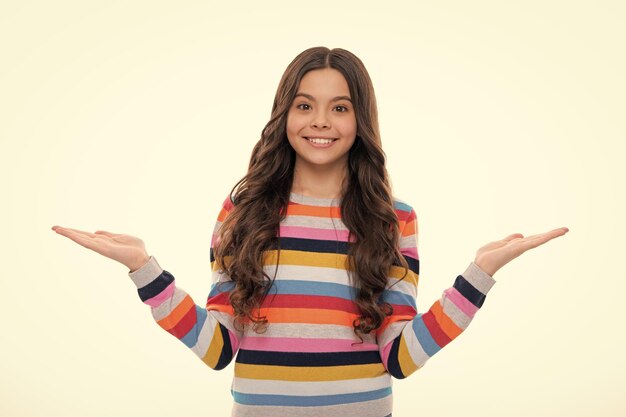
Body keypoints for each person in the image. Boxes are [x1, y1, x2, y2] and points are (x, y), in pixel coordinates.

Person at [52, 46, 569, 417]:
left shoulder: (394, 219)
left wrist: (479, 275)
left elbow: (402, 356)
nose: (320, 121)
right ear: (285, 114)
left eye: (339, 107)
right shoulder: (242, 211)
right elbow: (217, 349)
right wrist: (145, 270)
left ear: (359, 119)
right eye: (305, 105)